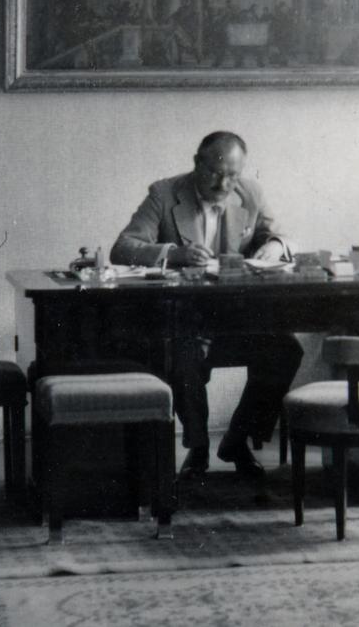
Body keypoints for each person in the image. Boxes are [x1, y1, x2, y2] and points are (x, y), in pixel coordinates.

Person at [111, 131, 302, 480]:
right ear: (197, 163)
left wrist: (275, 245)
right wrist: (174, 253)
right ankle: (197, 447)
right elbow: (123, 247)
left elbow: (283, 236)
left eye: (233, 174)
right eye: (216, 172)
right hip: (184, 319)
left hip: (237, 317)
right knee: (182, 356)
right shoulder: (164, 193)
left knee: (285, 349)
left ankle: (237, 438)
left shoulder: (250, 192)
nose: (225, 182)